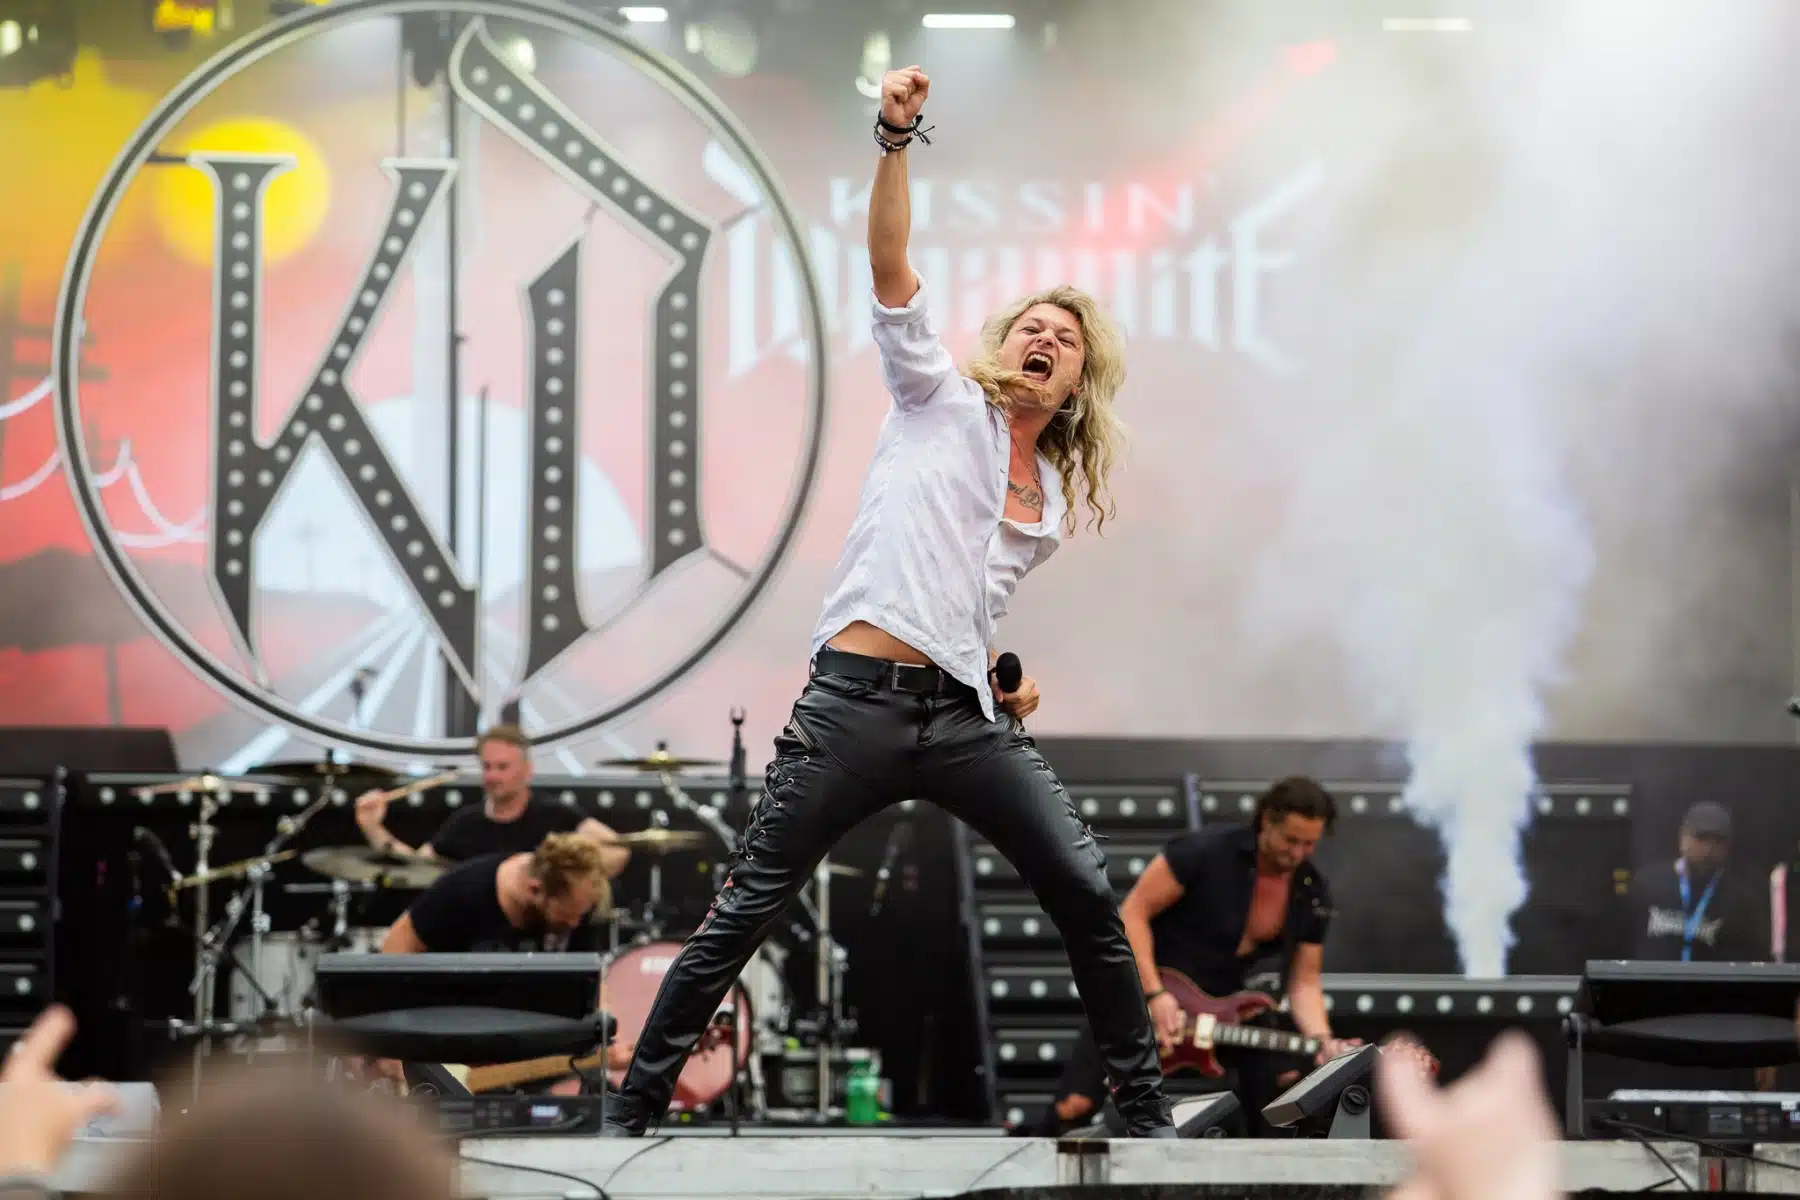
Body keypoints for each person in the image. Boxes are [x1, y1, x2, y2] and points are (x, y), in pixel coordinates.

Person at [599, 63, 1172, 1138]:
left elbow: (961, 594)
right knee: (744, 910)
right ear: (1003, 346)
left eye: (1066, 339)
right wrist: (894, 141)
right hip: (854, 707)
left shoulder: (1047, 500)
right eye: (1031, 326)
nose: (1044, 340)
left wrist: (998, 675)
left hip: (961, 720)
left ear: (1076, 384)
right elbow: (891, 266)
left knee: (1087, 891)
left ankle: (1144, 1115)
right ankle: (627, 1114)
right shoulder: (937, 397)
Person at [1030, 776, 1356, 1137]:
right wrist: (1155, 994)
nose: (1297, 853)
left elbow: (1304, 982)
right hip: (1147, 992)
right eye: (1290, 840)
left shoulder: (1311, 892)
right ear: (1266, 820)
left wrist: (1322, 1039)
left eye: (1309, 844)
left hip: (1222, 1012)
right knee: (1073, 1105)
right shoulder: (1206, 851)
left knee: (1276, 1085)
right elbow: (1133, 913)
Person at [354, 724, 629, 876]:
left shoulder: (555, 815)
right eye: (487, 767)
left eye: (502, 767)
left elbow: (618, 851)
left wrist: (570, 880)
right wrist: (373, 828)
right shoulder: (465, 824)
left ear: (527, 771)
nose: (492, 776)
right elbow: (416, 869)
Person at [380, 832, 612, 955]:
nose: (575, 923)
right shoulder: (461, 893)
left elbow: (595, 979)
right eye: (566, 914)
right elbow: (397, 947)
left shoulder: (579, 901)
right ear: (535, 890)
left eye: (580, 914)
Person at [1627, 801, 1764, 963]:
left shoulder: (1740, 900)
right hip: (1651, 978)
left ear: (1728, 846)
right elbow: (1623, 941)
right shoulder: (1647, 884)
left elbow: (1750, 958)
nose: (1708, 848)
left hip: (1711, 978)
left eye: (1717, 841)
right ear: (1683, 836)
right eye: (1701, 837)